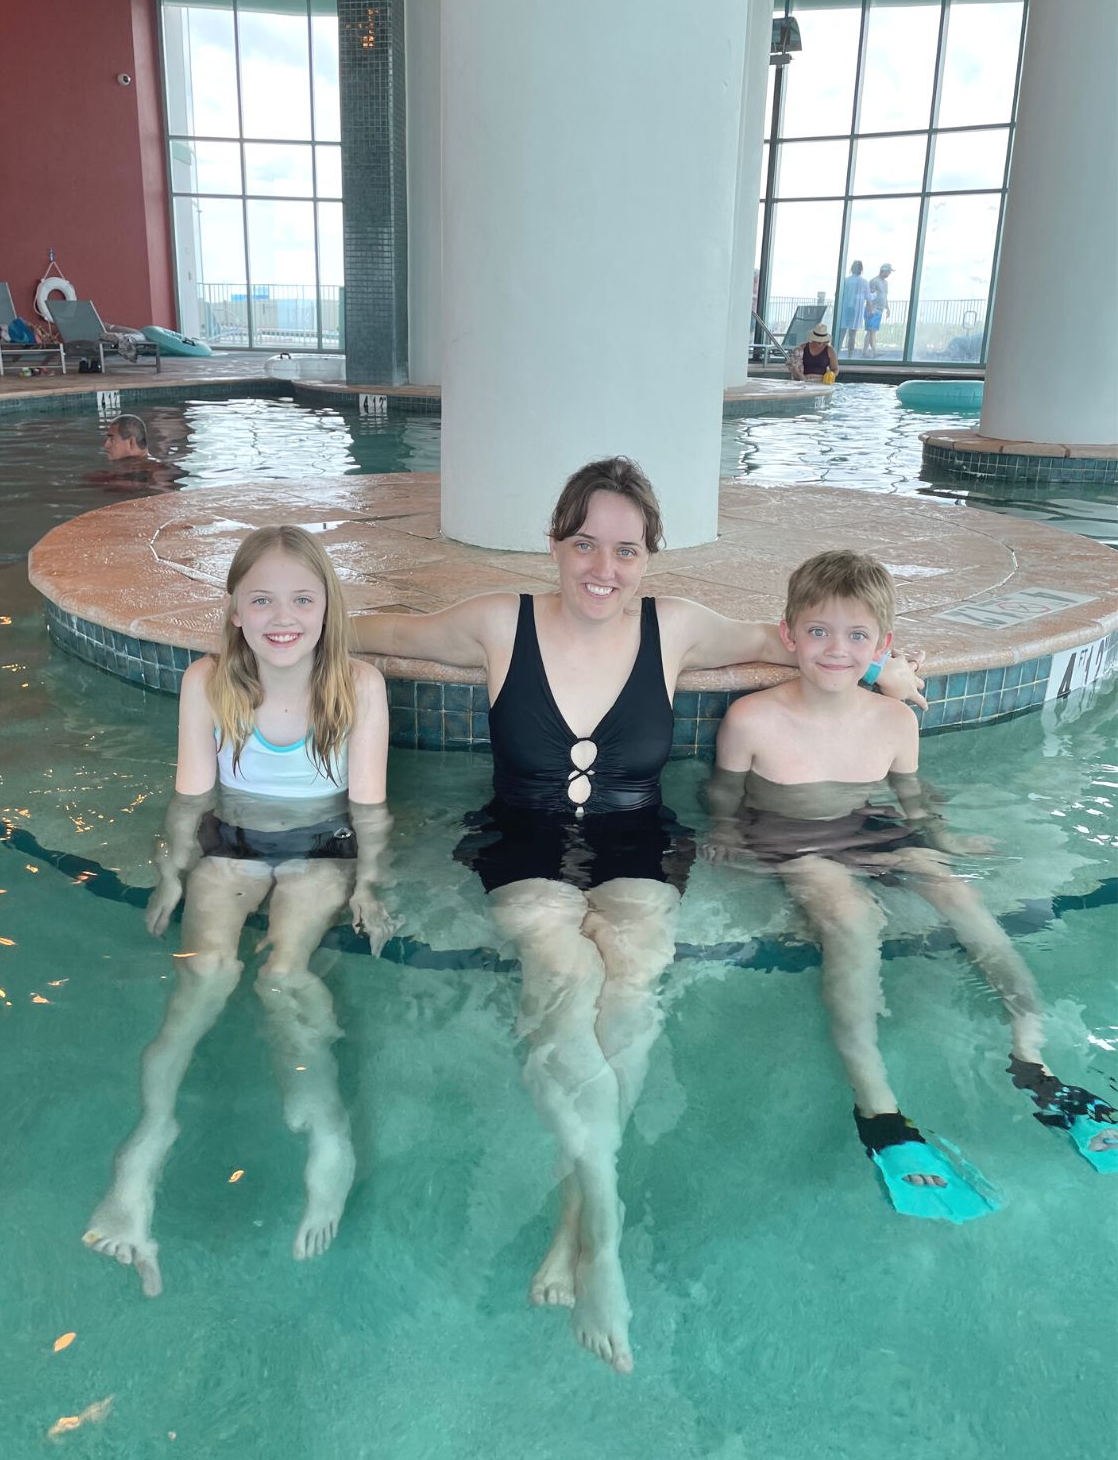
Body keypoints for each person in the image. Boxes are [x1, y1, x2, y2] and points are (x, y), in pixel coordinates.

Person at [352, 459, 926, 1374]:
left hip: (637, 842)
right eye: (584, 543)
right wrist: (282, 619)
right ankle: (603, 1231)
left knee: (633, 982)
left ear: (650, 556)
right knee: (565, 969)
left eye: (625, 549)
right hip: (526, 839)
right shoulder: (500, 623)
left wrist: (887, 665)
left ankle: (576, 1211)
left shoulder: (678, 627)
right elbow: (382, 628)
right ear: (555, 540)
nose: (602, 568)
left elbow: (798, 641)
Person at [707, 549, 1117, 1223]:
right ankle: (880, 1109)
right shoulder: (752, 718)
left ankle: (1032, 1057)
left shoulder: (895, 720)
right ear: (789, 635)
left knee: (956, 891)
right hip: (792, 839)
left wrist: (942, 840)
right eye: (818, 632)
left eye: (856, 636)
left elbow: (912, 799)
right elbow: (726, 795)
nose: (836, 650)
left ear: (882, 646)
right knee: (851, 918)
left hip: (868, 829)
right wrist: (723, 832)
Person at [83, 525, 394, 1295]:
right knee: (205, 974)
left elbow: (371, 811)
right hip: (233, 843)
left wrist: (372, 885)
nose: (281, 616)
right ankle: (142, 1155)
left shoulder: (358, 686)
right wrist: (170, 870)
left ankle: (326, 1134)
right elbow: (191, 795)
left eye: (300, 599)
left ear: (328, 608)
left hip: (323, 847)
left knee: (282, 975)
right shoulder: (207, 682)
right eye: (261, 599)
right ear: (233, 611)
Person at [837, 261, 870, 354]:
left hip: (844, 308)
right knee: (852, 335)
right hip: (856, 310)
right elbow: (868, 296)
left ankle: (836, 354)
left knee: (841, 334)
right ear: (861, 270)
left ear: (851, 268)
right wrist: (875, 294)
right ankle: (850, 355)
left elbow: (839, 294)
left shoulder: (846, 280)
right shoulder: (864, 282)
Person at [863, 262, 893, 358]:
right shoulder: (874, 281)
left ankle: (867, 351)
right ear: (883, 270)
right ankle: (871, 351)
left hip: (879, 310)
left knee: (872, 331)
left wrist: (887, 308)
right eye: (888, 271)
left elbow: (884, 296)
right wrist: (871, 309)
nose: (889, 274)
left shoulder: (886, 283)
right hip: (873, 310)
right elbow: (869, 296)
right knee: (871, 331)